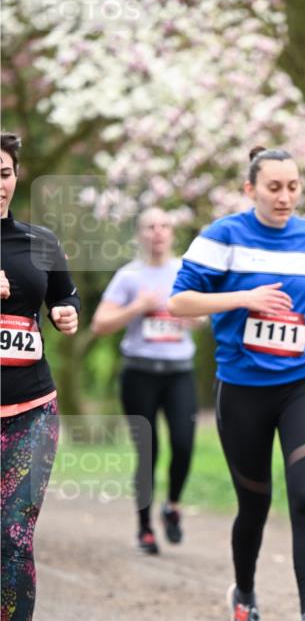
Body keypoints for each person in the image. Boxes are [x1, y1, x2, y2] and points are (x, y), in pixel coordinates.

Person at [169, 147, 305, 621]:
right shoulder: (223, 236)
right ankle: (244, 597)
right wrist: (243, 298)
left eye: (293, 187)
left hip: (302, 382)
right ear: (250, 189)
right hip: (242, 387)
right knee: (255, 504)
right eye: (274, 187)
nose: (285, 196)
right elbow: (179, 301)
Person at [0, 132, 80, 621]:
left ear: (16, 176)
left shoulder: (39, 241)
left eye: (3, 173)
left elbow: (63, 299)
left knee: (14, 531)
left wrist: (65, 312)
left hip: (30, 409)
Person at [91, 207, 198, 554]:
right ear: (140, 234)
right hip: (139, 374)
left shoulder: (184, 271)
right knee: (148, 451)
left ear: (172, 233)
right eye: (150, 226)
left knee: (183, 444)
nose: (158, 232)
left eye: (165, 225)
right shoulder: (129, 276)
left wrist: (191, 315)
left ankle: (173, 506)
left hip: (179, 372)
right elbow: (100, 324)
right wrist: (137, 307)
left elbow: (204, 316)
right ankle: (144, 527)